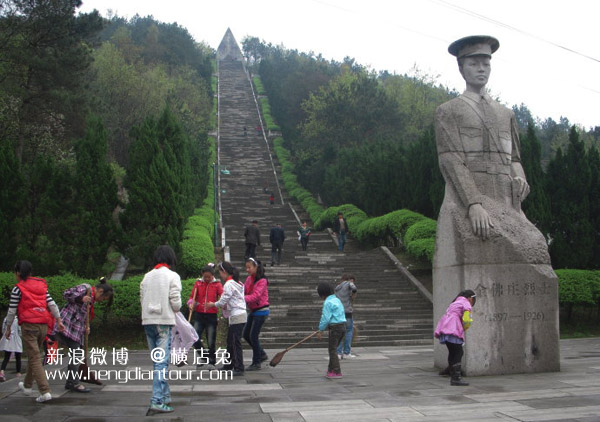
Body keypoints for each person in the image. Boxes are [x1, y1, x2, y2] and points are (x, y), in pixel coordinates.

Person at [3, 260, 65, 403]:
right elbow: (51, 304)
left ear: (18, 273)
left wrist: (7, 328)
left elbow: (12, 311)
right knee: (34, 355)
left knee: (35, 358)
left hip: (29, 326)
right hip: (43, 325)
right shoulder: (41, 285)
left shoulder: (17, 288)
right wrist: (59, 320)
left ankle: (45, 391)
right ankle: (27, 385)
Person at [53, 277, 114, 393]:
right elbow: (66, 293)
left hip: (76, 329)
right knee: (76, 353)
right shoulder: (85, 288)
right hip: (67, 324)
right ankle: (73, 382)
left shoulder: (92, 301)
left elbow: (84, 316)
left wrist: (87, 327)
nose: (103, 300)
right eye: (104, 297)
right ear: (100, 291)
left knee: (77, 354)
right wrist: (80, 298)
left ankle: (71, 381)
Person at [140, 245, 182, 415]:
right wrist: (175, 308)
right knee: (161, 363)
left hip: (148, 321)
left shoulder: (147, 276)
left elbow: (142, 298)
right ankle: (157, 400)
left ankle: (164, 396)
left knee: (157, 362)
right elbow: (176, 303)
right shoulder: (172, 276)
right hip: (163, 322)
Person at [207, 262, 246, 376]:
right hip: (239, 315)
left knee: (234, 343)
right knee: (230, 342)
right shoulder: (238, 282)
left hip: (236, 315)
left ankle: (239, 367)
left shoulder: (228, 284)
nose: (220, 275)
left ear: (224, 272)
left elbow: (224, 300)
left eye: (220, 272)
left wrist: (213, 304)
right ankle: (229, 365)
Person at [434, 290, 476, 386]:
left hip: (445, 327)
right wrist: (464, 328)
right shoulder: (466, 303)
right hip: (453, 327)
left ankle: (451, 371)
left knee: (452, 352)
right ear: (470, 298)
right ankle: (456, 378)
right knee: (458, 352)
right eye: (473, 300)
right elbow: (467, 320)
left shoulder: (455, 302)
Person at [187, 264, 223, 369]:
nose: (207, 279)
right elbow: (191, 297)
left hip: (211, 314)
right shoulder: (198, 283)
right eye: (205, 277)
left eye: (209, 277)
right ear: (202, 275)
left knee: (211, 339)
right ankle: (205, 356)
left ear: (213, 275)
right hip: (199, 314)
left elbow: (222, 297)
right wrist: (191, 304)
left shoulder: (217, 284)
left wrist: (217, 304)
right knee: (194, 336)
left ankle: (212, 360)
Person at [243, 258, 269, 370]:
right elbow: (243, 290)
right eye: (246, 267)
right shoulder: (249, 279)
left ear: (256, 267)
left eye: (249, 267)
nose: (247, 269)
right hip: (253, 311)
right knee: (246, 334)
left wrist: (241, 299)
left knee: (253, 336)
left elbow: (256, 296)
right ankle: (261, 353)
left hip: (261, 310)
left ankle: (256, 362)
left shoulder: (262, 280)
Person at [317, 282, 346, 379]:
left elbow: (325, 318)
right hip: (343, 326)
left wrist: (320, 330)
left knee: (332, 350)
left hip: (335, 327)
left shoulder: (328, 302)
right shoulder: (337, 300)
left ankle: (337, 371)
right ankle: (331, 370)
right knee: (333, 349)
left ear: (322, 294)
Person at [335, 274, 358, 359]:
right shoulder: (349, 284)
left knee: (339, 333)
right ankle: (346, 353)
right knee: (349, 331)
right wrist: (353, 294)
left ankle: (338, 353)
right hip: (347, 312)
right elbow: (354, 288)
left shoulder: (337, 287)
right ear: (348, 280)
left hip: (338, 313)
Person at [0, 315, 22, 382]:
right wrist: (19, 336)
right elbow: (19, 330)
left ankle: (2, 372)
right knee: (18, 356)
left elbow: (3, 329)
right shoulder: (17, 319)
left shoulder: (6, 318)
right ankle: (18, 373)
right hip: (16, 338)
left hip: (8, 338)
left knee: (6, 357)